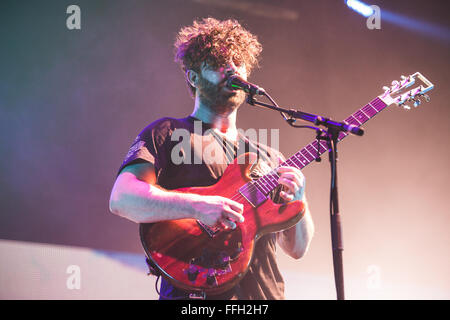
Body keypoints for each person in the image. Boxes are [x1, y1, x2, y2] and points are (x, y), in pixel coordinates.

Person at [109, 17, 314, 300]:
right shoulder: (167, 133)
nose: (232, 68)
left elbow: (297, 249)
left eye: (239, 61)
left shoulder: (271, 159)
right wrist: (198, 206)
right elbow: (122, 198)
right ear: (193, 77)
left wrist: (299, 200)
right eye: (219, 61)